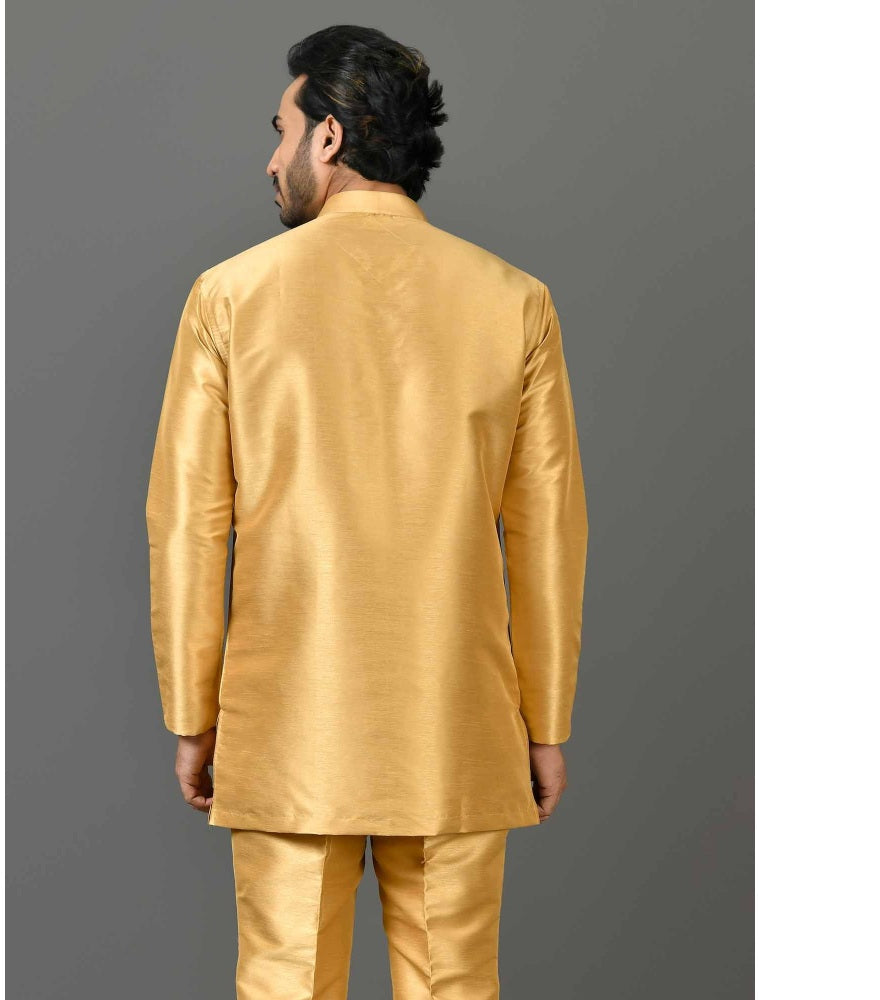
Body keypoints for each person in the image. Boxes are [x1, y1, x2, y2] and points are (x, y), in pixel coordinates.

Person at [145, 23, 589, 1000]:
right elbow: (548, 534)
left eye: (280, 131)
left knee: (286, 981)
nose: (272, 160)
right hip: (457, 723)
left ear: (330, 136)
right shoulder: (515, 302)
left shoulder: (229, 298)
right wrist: (544, 721)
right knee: (453, 983)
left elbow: (188, 525)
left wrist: (193, 713)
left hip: (287, 723)